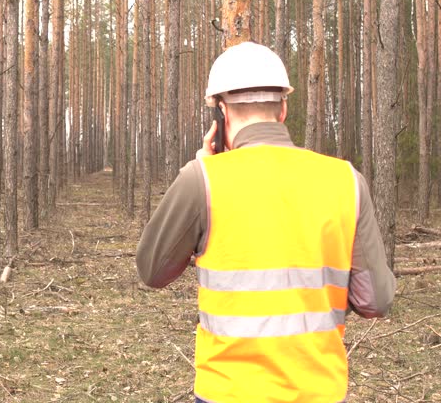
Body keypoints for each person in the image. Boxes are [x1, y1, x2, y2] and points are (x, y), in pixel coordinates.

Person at [136, 42, 396, 403]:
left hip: (228, 392)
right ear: (283, 108)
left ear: (222, 113)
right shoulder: (345, 180)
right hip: (319, 391)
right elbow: (376, 301)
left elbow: (152, 270)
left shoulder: (204, 180)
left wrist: (200, 172)